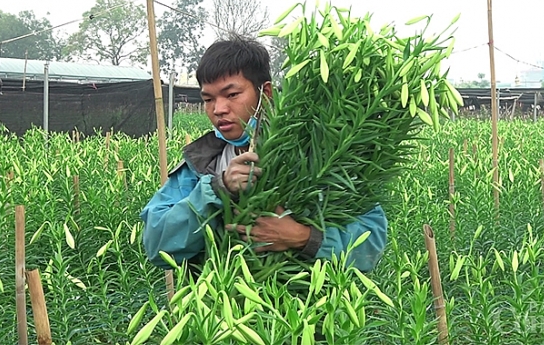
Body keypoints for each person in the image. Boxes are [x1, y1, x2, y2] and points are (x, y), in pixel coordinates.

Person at [140, 36, 388, 274]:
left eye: (232, 95)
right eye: (208, 99)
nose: (218, 109)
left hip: (307, 313)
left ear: (266, 92)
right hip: (220, 312)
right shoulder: (201, 164)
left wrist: (304, 238)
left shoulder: (318, 155)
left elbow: (372, 240)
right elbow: (157, 244)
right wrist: (218, 189)